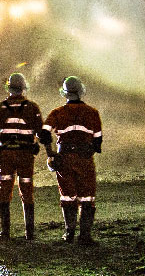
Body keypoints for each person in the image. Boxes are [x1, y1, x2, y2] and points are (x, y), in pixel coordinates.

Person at [0, 72, 48, 240]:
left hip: (6, 155)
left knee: (4, 190)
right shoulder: (32, 107)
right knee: (27, 190)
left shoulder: (0, 107)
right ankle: (30, 232)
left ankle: (5, 232)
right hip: (26, 155)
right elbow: (41, 132)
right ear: (23, 89)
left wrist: (2, 140)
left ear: (9, 88)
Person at [43, 76, 102, 244]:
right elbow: (97, 141)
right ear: (81, 92)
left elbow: (44, 133)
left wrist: (51, 154)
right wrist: (88, 149)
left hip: (64, 158)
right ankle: (85, 235)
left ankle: (68, 233)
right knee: (87, 197)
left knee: (67, 196)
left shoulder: (57, 113)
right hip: (85, 158)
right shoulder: (93, 113)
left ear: (65, 93)